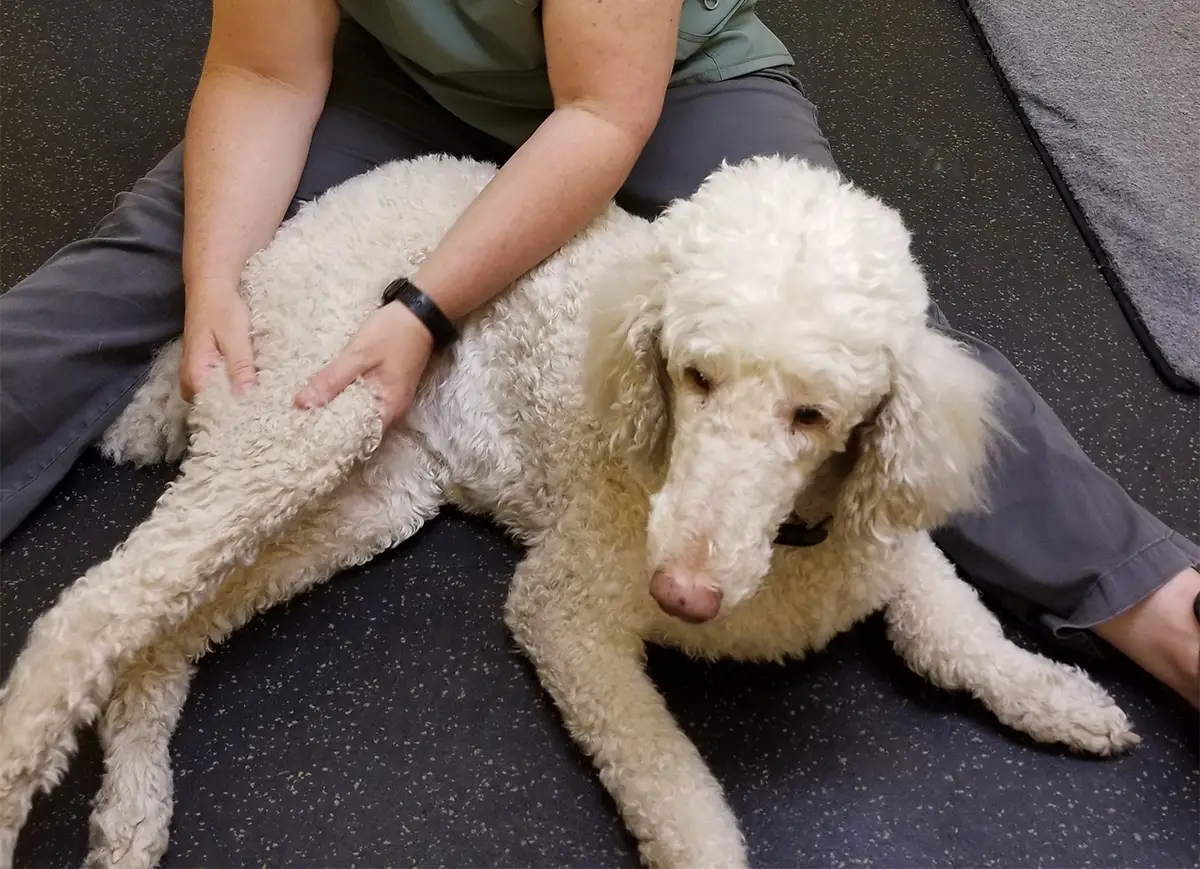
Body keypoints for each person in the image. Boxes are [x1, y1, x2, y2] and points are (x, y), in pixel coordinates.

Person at [0, 0, 1196, 708]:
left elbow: (598, 114)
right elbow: (265, 70)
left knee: (840, 341)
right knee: (146, 261)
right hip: (405, 83)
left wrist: (422, 307)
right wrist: (215, 280)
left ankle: (1155, 597)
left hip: (661, 89)